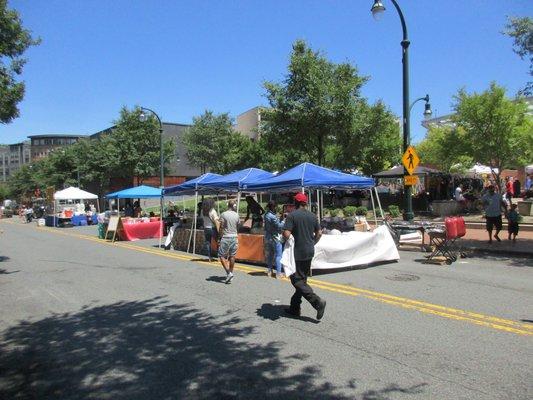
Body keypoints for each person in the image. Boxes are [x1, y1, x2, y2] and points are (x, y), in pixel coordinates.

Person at [282, 192, 326, 320]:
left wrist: (289, 240)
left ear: (295, 203)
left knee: (297, 280)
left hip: (297, 252)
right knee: (303, 280)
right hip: (309, 251)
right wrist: (312, 242)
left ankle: (317, 302)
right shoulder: (312, 216)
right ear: (305, 203)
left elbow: (286, 234)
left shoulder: (292, 216)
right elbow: (319, 233)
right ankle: (294, 307)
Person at [218, 200, 240, 284]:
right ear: (233, 206)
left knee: (221, 255)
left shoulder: (223, 214)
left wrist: (219, 237)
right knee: (232, 256)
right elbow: (238, 226)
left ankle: (228, 272)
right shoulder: (237, 215)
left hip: (226, 237)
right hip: (234, 237)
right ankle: (231, 273)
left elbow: (221, 227)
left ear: (228, 206)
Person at [264, 200, 284, 278]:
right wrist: (284, 221)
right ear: (273, 206)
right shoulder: (272, 216)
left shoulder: (266, 215)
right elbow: (279, 226)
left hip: (268, 237)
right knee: (278, 255)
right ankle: (278, 273)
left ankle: (269, 271)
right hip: (275, 237)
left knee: (270, 255)